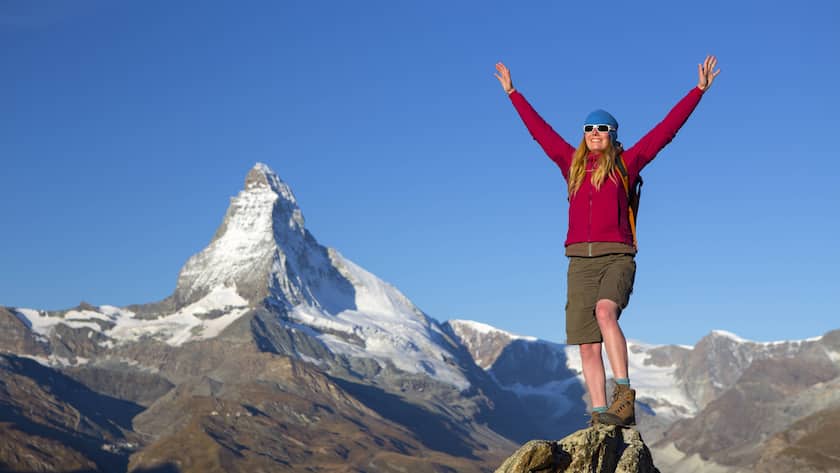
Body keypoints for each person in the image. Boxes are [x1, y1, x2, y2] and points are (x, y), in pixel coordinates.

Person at [494, 56, 720, 426]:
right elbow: (540, 132)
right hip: (578, 261)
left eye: (603, 127)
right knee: (586, 345)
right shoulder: (570, 164)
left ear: (614, 134)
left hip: (617, 256)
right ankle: (600, 416)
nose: (595, 132)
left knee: (604, 313)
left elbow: (666, 130)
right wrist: (513, 93)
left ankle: (624, 394)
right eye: (589, 127)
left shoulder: (626, 164)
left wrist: (698, 91)